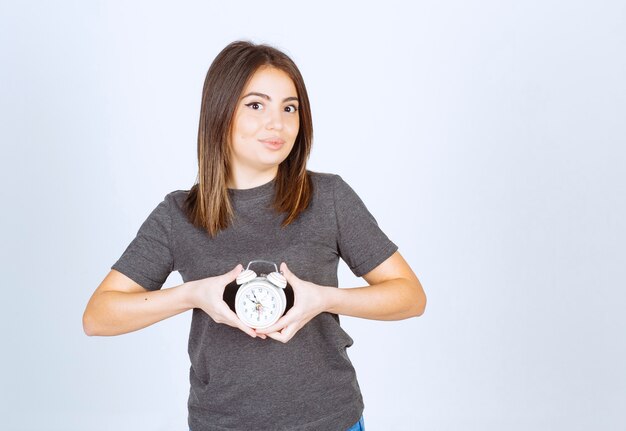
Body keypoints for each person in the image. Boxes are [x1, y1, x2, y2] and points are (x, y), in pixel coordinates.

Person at [83, 40, 426, 431]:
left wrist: (325, 299)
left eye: (289, 107)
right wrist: (192, 295)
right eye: (256, 105)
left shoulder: (328, 197)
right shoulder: (179, 215)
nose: (276, 123)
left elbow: (410, 297)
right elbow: (98, 317)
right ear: (220, 112)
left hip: (331, 420)